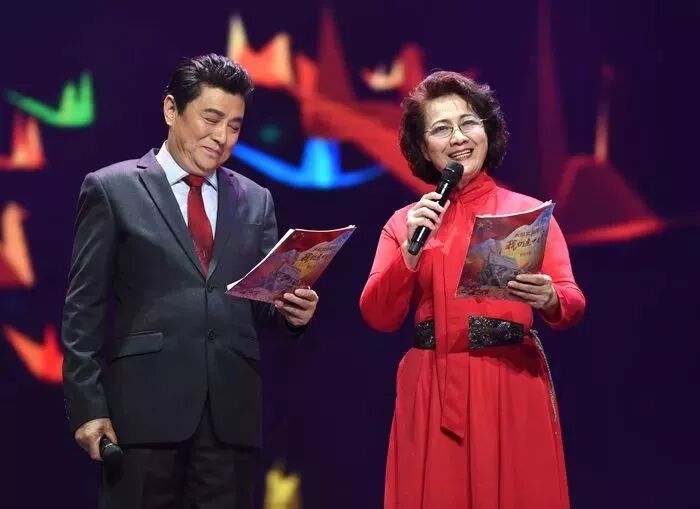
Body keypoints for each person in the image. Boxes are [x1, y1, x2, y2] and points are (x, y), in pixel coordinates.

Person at [61, 53, 319, 508]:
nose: (222, 137)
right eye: (211, 119)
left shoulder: (256, 199)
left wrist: (293, 312)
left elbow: (263, 301)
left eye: (235, 126)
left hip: (229, 418)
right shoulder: (112, 189)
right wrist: (88, 407)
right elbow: (83, 310)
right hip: (142, 416)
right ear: (171, 109)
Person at [359, 71, 585, 508]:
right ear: (423, 147)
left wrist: (550, 298)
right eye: (441, 129)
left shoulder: (526, 213)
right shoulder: (406, 222)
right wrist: (409, 254)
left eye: (468, 123)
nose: (459, 138)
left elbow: (572, 300)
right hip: (432, 387)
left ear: (487, 130)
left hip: (510, 381)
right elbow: (377, 315)